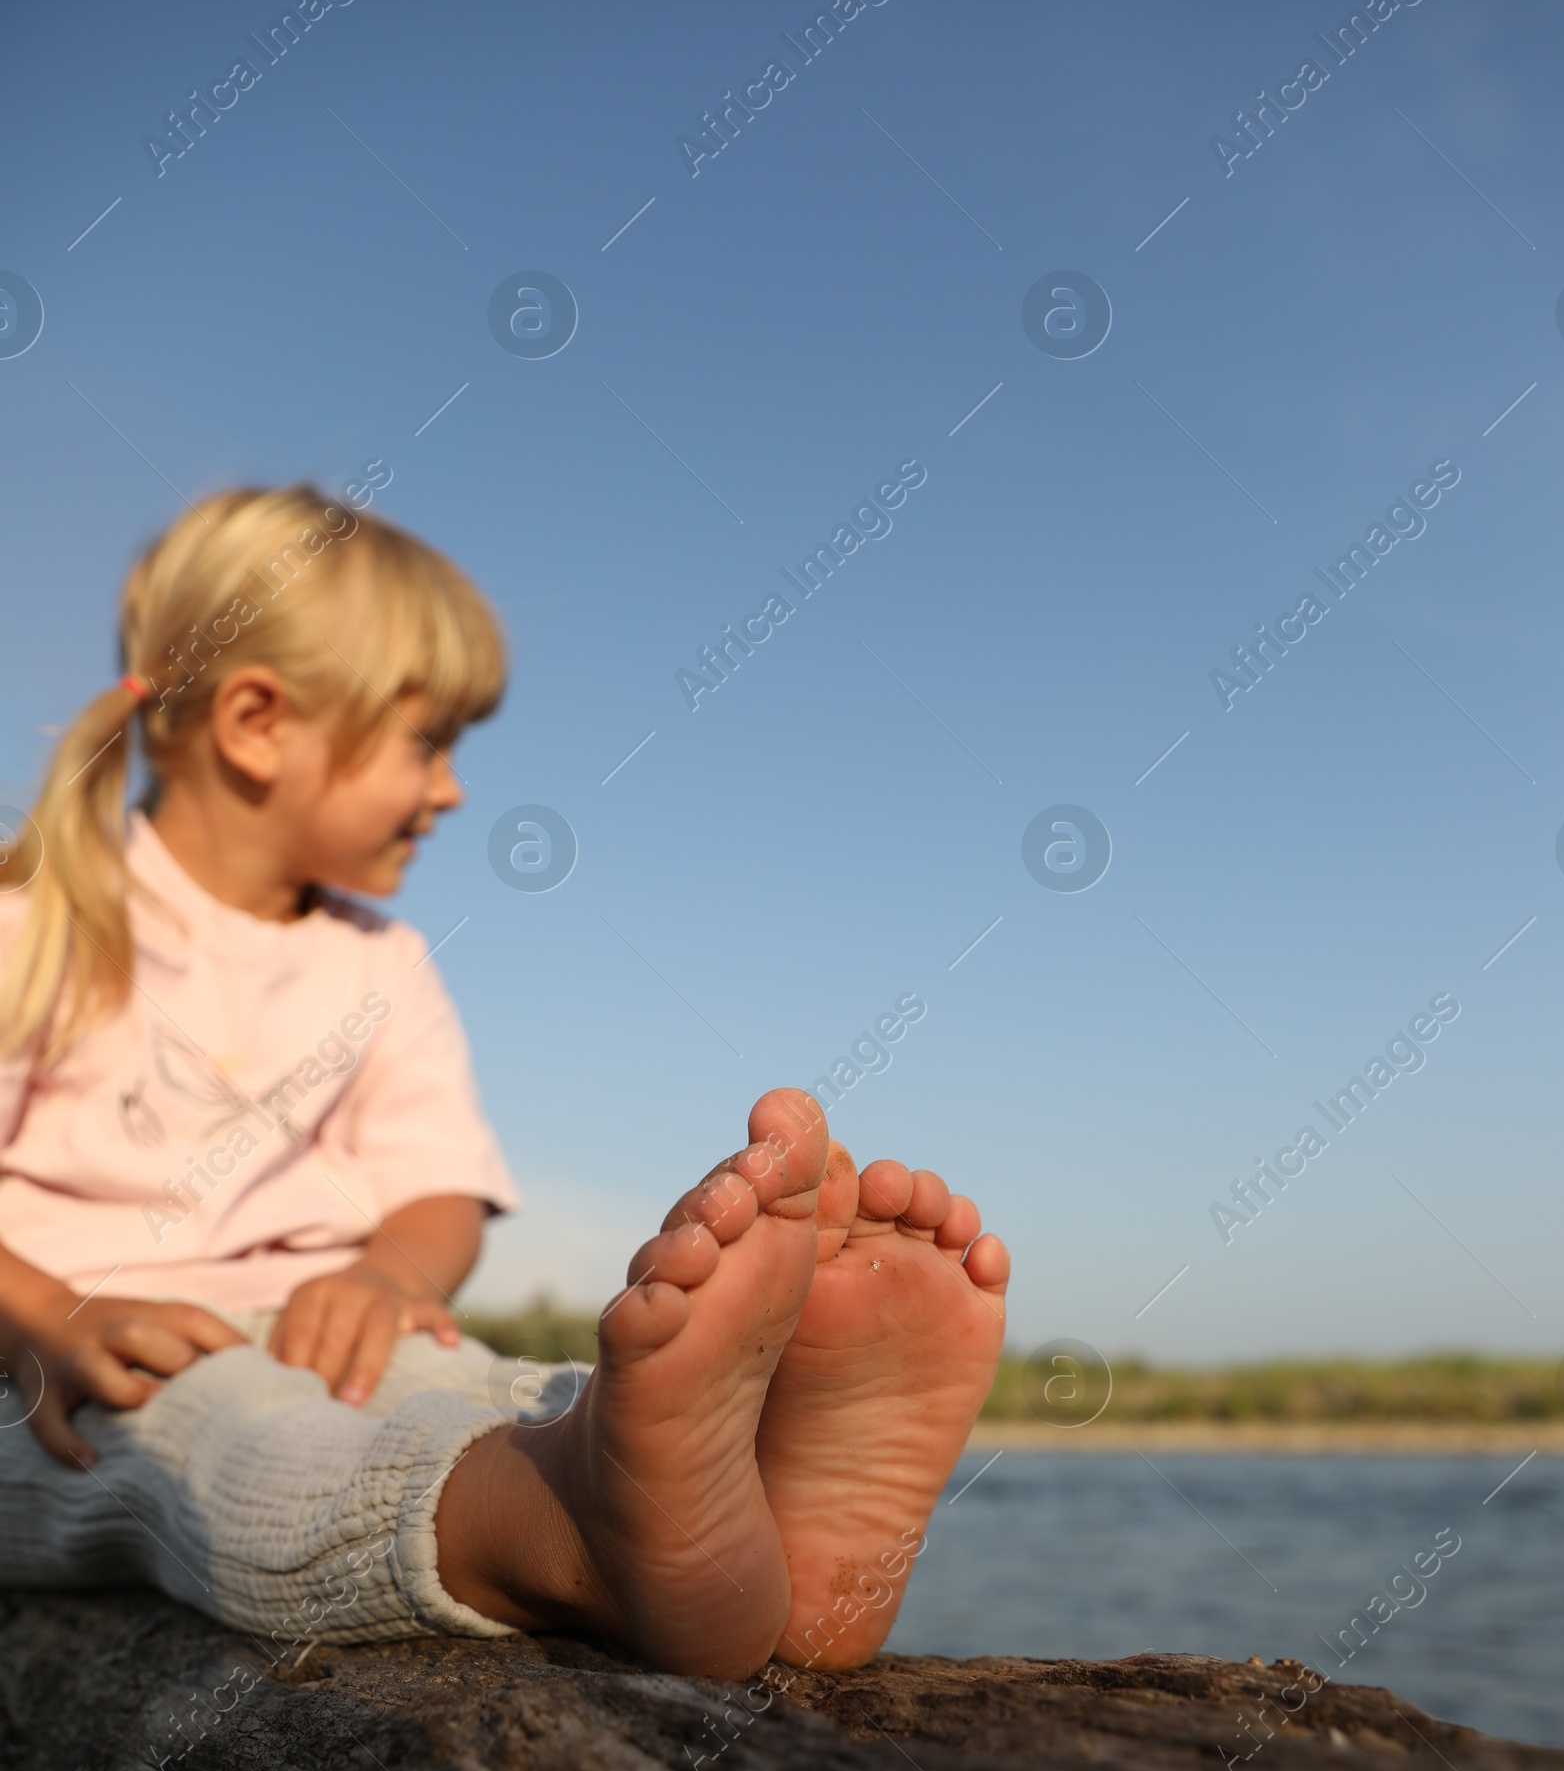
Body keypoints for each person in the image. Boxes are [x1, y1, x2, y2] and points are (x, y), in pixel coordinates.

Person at [0, 488, 1008, 1679]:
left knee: (493, 1389)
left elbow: (436, 1192)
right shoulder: (35, 925)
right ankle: (573, 1532)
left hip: (325, 1334)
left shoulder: (379, 962)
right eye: (426, 742)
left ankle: (751, 1487)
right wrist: (48, 1313)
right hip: (59, 1383)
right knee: (224, 1445)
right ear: (258, 723)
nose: (451, 791)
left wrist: (387, 1273)